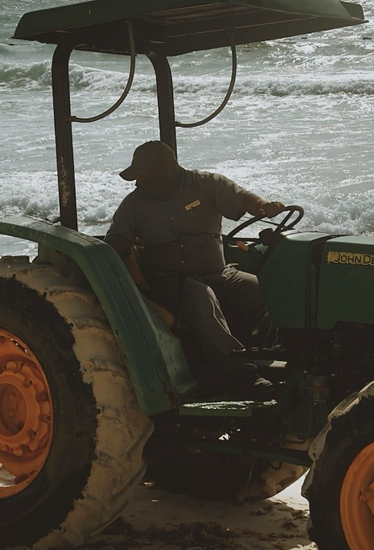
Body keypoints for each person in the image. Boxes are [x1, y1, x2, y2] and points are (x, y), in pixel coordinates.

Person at [105, 140, 289, 393]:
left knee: (265, 289)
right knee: (202, 299)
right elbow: (115, 240)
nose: (137, 183)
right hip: (169, 280)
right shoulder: (134, 204)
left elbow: (242, 197)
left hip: (218, 273)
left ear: (163, 173)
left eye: (142, 176)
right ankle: (244, 375)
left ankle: (276, 355)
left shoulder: (205, 184)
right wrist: (133, 270)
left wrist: (262, 205)